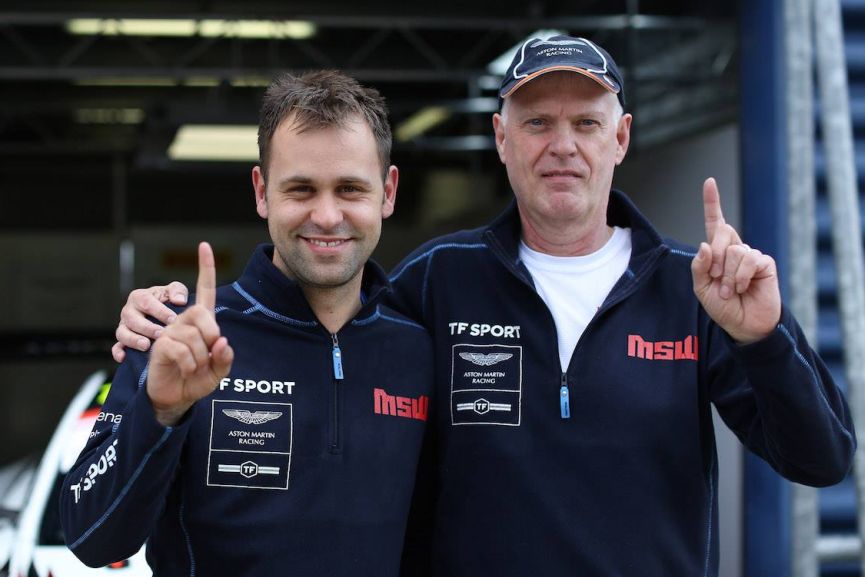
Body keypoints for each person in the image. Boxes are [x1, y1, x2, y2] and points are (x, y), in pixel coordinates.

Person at [110, 36, 856, 576]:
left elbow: (821, 459)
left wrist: (765, 339)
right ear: (501, 138)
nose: (561, 145)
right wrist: (155, 331)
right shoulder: (439, 279)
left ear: (620, 137)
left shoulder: (696, 290)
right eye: (536, 122)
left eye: (585, 122)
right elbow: (319, 338)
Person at [60, 70, 434, 576]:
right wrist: (161, 411)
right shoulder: (178, 338)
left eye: (350, 188)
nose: (326, 216)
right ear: (262, 192)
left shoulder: (419, 350)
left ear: (387, 192)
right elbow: (89, 536)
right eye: (301, 189)